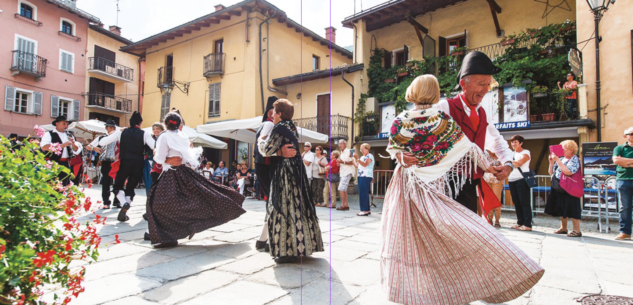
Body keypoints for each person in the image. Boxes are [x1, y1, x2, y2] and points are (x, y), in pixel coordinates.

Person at [381, 74, 543, 305]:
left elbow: (392, 148)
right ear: (435, 93)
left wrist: (399, 155)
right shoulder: (441, 118)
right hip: (432, 186)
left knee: (409, 237)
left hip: (405, 186)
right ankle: (461, 284)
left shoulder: (401, 118)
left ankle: (414, 291)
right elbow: (469, 148)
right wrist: (490, 166)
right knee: (449, 233)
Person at [400, 51, 514, 214]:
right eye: (481, 83)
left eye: (488, 84)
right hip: (446, 184)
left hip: (471, 184)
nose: (485, 90)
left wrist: (508, 164)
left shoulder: (482, 113)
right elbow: (411, 128)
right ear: (463, 84)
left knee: (469, 232)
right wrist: (403, 154)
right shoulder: (444, 107)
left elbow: (497, 142)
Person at [146, 111, 246, 248]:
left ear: (164, 124)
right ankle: (168, 234)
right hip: (184, 173)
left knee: (157, 203)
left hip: (171, 174)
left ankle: (168, 236)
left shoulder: (164, 137)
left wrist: (158, 154)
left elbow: (159, 159)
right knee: (198, 198)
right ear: (180, 125)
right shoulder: (183, 136)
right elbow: (191, 160)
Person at [257, 99, 323, 264]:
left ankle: (287, 250)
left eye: (274, 111)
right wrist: (279, 151)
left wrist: (260, 140)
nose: (271, 114)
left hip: (284, 173)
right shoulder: (291, 127)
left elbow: (266, 150)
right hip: (295, 170)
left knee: (282, 207)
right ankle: (303, 246)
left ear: (280, 114)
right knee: (297, 207)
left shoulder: (279, 128)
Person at [99, 111, 155, 222]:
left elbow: (102, 142)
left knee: (118, 185)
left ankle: (123, 202)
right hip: (138, 163)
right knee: (131, 186)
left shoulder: (121, 133)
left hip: (125, 162)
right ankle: (126, 205)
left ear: (129, 122)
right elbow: (155, 146)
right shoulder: (144, 134)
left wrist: (114, 134)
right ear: (140, 122)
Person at [545, 140, 582, 237]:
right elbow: (551, 172)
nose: (562, 151)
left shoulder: (575, 159)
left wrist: (557, 160)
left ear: (571, 150)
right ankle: (563, 227)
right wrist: (551, 162)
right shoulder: (562, 158)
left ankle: (576, 230)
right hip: (560, 186)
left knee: (573, 207)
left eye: (564, 149)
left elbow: (568, 171)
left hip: (570, 187)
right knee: (561, 207)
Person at [254, 96, 277, 252]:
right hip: (266, 164)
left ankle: (263, 239)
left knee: (271, 200)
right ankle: (267, 238)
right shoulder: (269, 123)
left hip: (262, 165)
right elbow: (263, 143)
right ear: (271, 112)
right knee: (273, 201)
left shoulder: (263, 123)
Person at [41, 116, 83, 186]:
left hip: (66, 163)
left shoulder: (69, 134)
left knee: (64, 185)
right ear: (57, 124)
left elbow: (75, 150)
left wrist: (73, 144)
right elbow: (44, 147)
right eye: (64, 124)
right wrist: (62, 145)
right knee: (51, 184)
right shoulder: (49, 134)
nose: (66, 126)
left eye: (67, 124)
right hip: (52, 162)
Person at [86, 120, 118, 209]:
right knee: (106, 182)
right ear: (106, 128)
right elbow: (88, 147)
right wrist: (94, 148)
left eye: (113, 127)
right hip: (106, 161)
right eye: (110, 127)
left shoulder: (118, 137)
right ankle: (106, 202)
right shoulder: (101, 138)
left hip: (116, 162)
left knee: (118, 182)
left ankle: (117, 201)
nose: (112, 129)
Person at [508, 135, 533, 231]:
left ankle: (527, 224)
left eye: (516, 142)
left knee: (524, 201)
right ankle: (520, 222)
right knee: (516, 202)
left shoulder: (526, 152)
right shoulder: (511, 154)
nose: (513, 144)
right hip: (511, 179)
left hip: (522, 179)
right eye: (512, 142)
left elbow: (519, 163)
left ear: (521, 143)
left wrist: (508, 162)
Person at [613, 127, 633, 241]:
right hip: (623, 179)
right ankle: (625, 232)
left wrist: (625, 162)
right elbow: (616, 161)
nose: (632, 136)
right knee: (624, 207)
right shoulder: (619, 148)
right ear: (625, 136)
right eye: (630, 134)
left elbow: (621, 161)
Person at [353, 143, 375, 216]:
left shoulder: (370, 156)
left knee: (363, 192)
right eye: (360, 149)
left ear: (367, 149)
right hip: (361, 175)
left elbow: (365, 164)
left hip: (366, 175)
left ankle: (364, 210)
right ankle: (367, 209)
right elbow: (357, 165)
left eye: (362, 149)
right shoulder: (362, 157)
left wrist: (357, 158)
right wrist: (352, 159)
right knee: (363, 192)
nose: (361, 151)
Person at [484, 151, 503, 227]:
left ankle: (497, 220)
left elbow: (503, 167)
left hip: (497, 179)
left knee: (497, 199)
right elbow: (483, 166)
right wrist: (496, 168)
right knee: (488, 200)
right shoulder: (486, 155)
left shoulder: (501, 155)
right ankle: (489, 218)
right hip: (487, 179)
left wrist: (491, 168)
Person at [337, 139, 354, 211]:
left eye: (341, 144)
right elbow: (342, 162)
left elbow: (352, 162)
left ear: (345, 144)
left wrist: (342, 161)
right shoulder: (341, 153)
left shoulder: (350, 151)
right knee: (344, 189)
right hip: (343, 172)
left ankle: (343, 205)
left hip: (347, 172)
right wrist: (339, 163)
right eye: (339, 144)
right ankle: (346, 205)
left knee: (341, 188)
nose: (340, 145)